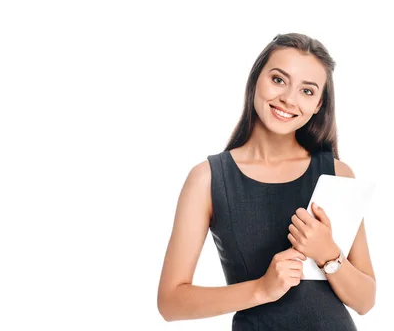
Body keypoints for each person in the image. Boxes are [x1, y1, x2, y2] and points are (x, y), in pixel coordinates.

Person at [157, 33, 376, 330]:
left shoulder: (336, 174)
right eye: (278, 80)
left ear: (318, 105)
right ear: (256, 80)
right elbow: (170, 302)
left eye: (307, 91)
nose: (288, 98)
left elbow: (365, 301)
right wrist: (261, 289)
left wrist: (328, 255)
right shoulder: (207, 179)